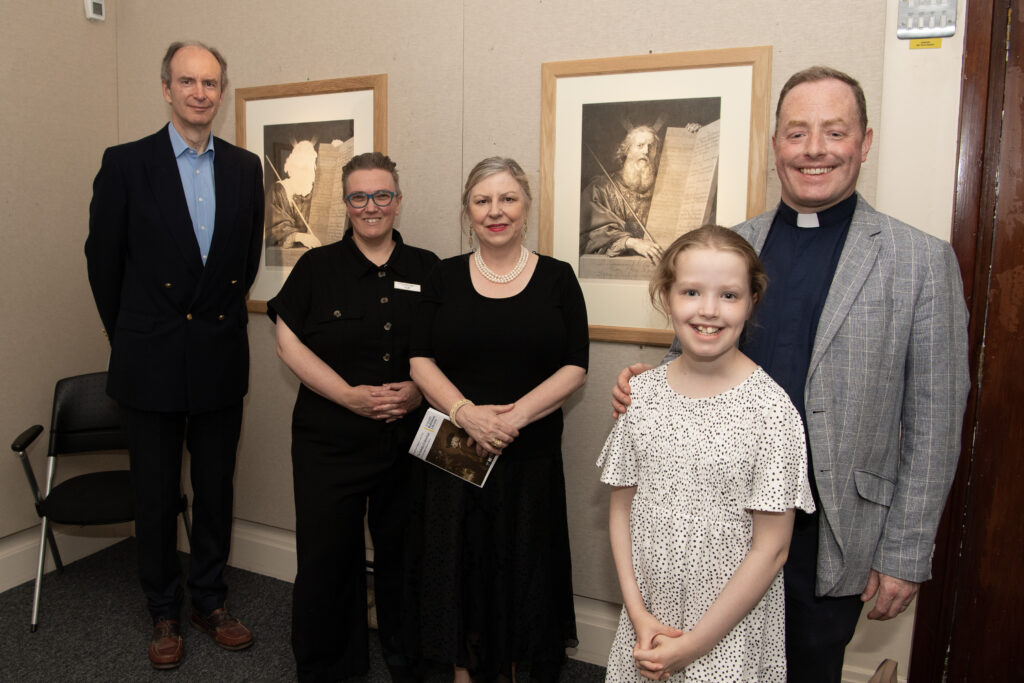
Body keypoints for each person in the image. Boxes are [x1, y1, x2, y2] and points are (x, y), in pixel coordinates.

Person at [611, 66, 970, 682]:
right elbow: (691, 355)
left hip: (829, 537)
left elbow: (935, 423)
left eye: (835, 132)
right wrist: (648, 383)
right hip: (711, 529)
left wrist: (905, 553)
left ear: (865, 141)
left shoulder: (920, 260)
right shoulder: (732, 246)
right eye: (797, 132)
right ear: (775, 142)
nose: (814, 149)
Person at [85, 41, 264, 669]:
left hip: (218, 355)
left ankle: (209, 601)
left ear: (222, 91)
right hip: (150, 357)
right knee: (156, 494)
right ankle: (163, 608)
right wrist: (133, 333)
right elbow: (103, 265)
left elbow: (243, 266)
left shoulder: (245, 169)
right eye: (186, 81)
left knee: (216, 490)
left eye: (210, 83)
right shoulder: (126, 164)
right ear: (166, 89)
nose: (199, 93)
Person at [600, 225, 814, 681]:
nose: (709, 311)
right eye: (692, 292)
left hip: (726, 632)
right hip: (648, 618)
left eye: (729, 295)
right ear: (666, 295)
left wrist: (694, 645)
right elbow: (621, 512)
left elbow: (772, 549)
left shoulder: (771, 412)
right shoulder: (642, 395)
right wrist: (638, 614)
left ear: (753, 300)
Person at [408, 157, 589, 682]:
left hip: (527, 451)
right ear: (467, 211)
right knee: (459, 560)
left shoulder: (557, 278)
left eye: (507, 199)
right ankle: (464, 671)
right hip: (454, 447)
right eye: (482, 200)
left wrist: (511, 421)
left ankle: (511, 668)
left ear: (526, 207)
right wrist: (467, 414)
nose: (496, 211)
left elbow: (575, 364)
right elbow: (420, 359)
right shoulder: (442, 276)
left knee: (523, 564)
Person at [268, 152, 438, 682]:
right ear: (345, 204)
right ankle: (329, 668)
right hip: (329, 441)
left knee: (407, 554)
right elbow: (287, 343)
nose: (371, 207)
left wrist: (416, 391)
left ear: (398, 201)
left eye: (382, 195)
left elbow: (450, 345)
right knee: (327, 559)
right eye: (359, 197)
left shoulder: (430, 269)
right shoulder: (317, 268)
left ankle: (409, 656)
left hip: (409, 441)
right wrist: (347, 396)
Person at [579, 125, 666, 264]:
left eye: (651, 147)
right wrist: (631, 243)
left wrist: (693, 136)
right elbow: (589, 236)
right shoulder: (600, 189)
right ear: (627, 150)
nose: (646, 151)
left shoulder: (666, 189)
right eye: (640, 145)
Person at [267, 140, 322, 248]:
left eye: (308, 168)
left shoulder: (318, 189)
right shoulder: (279, 190)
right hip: (288, 253)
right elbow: (275, 228)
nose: (305, 173)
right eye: (300, 168)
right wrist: (299, 237)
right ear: (291, 168)